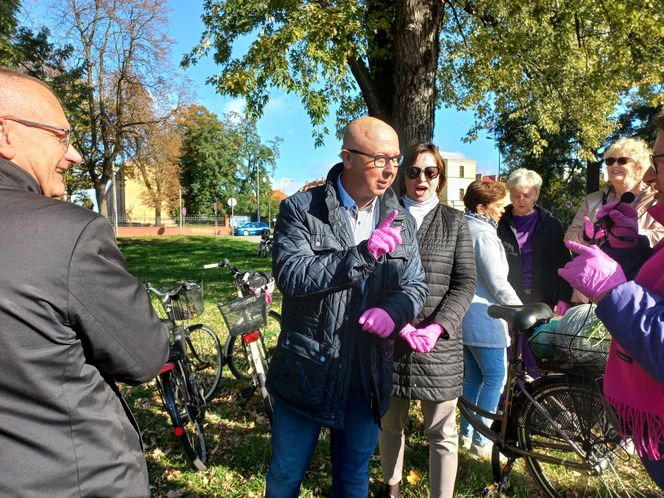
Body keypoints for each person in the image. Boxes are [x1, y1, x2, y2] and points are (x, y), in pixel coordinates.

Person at [0, 67, 169, 496]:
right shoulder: (66, 234)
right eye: (61, 136)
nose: (73, 153)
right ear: (6, 134)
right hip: (76, 478)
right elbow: (144, 356)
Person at [265, 116, 428, 497]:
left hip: (366, 374)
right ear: (348, 157)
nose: (390, 170)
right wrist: (362, 254)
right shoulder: (302, 209)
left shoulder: (400, 218)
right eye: (379, 159)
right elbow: (292, 274)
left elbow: (415, 285)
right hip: (307, 369)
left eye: (395, 159)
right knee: (286, 476)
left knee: (353, 477)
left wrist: (394, 312)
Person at [558, 113, 664, 489]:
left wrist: (613, 287)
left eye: (658, 162)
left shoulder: (651, 199)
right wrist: (628, 248)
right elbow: (655, 278)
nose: (651, 176)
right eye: (609, 161)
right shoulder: (594, 199)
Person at [378, 144, 476, 498]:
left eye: (430, 172)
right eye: (414, 171)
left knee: (442, 432)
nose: (421, 178)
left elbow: (465, 282)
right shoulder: (384, 215)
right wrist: (399, 323)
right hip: (391, 339)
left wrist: (437, 327)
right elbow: (372, 277)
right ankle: (391, 486)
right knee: (389, 424)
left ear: (440, 177)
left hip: (439, 345)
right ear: (402, 175)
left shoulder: (455, 221)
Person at [459, 180, 522, 459]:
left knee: (473, 378)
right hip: (485, 316)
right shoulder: (483, 235)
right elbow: (497, 282)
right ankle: (482, 441)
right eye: (498, 206)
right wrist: (521, 310)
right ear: (481, 207)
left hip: (464, 315)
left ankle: (465, 435)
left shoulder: (464, 227)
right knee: (496, 376)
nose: (503, 211)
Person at [498, 168, 572, 313]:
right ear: (510, 196)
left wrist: (564, 297)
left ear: (536, 195)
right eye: (516, 195)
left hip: (543, 297)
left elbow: (563, 261)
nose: (521, 200)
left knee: (539, 335)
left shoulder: (551, 224)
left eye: (526, 195)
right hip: (507, 295)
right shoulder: (499, 222)